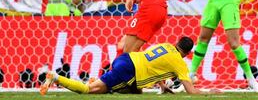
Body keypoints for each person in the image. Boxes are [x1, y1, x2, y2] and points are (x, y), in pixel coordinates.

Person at [40, 37, 217, 95]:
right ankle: (54, 76)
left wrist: (163, 86)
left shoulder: (166, 46)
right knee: (88, 91)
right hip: (129, 71)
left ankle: (102, 81)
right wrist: (210, 93)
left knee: (136, 91)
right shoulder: (179, 62)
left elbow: (154, 64)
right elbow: (192, 92)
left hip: (126, 58)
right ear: (187, 53)